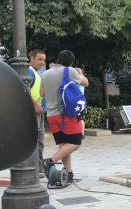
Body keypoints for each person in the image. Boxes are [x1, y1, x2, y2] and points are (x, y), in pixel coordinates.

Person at [41, 50, 88, 184]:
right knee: (75, 143)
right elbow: (85, 83)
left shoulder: (45, 73)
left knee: (64, 145)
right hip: (66, 115)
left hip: (51, 115)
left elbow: (41, 93)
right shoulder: (70, 71)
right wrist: (80, 74)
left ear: (57, 60)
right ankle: (49, 162)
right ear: (71, 63)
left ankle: (68, 174)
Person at [28, 49, 46, 175]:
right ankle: (34, 168)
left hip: (39, 112)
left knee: (39, 141)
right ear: (32, 58)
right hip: (33, 112)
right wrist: (35, 105)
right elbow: (25, 90)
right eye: (39, 59)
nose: (42, 62)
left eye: (44, 60)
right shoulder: (29, 72)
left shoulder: (37, 73)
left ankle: (39, 168)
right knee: (35, 141)